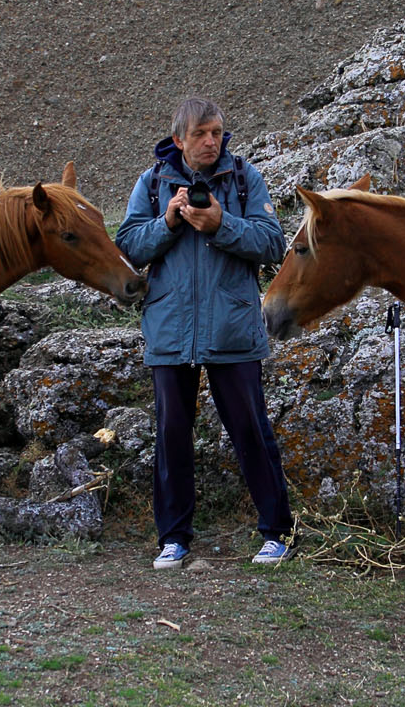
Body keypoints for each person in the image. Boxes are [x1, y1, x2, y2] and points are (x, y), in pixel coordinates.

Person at [116, 97, 293, 569]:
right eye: (200, 133)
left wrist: (221, 223)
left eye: (216, 131)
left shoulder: (243, 178)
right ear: (179, 139)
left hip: (232, 330)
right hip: (171, 331)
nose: (211, 141)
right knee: (171, 435)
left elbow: (273, 244)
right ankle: (173, 538)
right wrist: (169, 222)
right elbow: (128, 247)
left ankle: (277, 531)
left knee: (251, 431)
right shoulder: (153, 183)